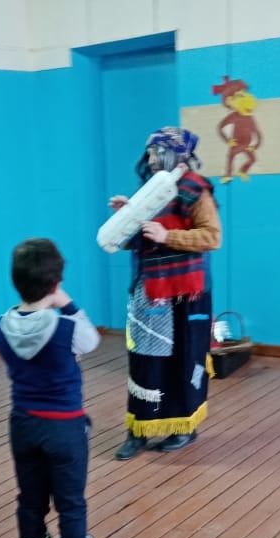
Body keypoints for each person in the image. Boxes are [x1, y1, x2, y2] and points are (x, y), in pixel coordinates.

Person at [0, 238, 114, 538]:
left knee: (30, 501)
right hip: (64, 427)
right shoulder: (66, 328)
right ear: (56, 282)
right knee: (70, 503)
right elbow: (91, 341)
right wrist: (67, 302)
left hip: (23, 424)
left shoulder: (0, 326)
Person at [108, 127, 222, 461]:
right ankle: (139, 429)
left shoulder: (195, 189)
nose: (150, 157)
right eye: (149, 152)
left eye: (156, 151)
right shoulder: (151, 189)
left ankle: (183, 427)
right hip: (149, 293)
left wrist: (167, 235)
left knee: (183, 361)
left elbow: (212, 237)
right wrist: (126, 216)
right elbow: (138, 239)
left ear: (176, 153)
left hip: (185, 295)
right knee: (144, 362)